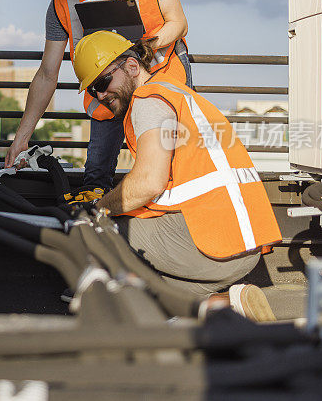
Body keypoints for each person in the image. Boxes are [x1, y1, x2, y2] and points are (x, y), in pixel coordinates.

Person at [71, 30, 282, 320]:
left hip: (210, 242)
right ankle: (228, 305)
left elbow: (148, 182)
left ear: (132, 67)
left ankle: (109, 303)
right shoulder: (176, 92)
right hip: (242, 244)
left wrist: (97, 209)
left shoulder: (147, 100)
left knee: (98, 230)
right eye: (93, 90)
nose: (101, 95)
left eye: (104, 82)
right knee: (151, 290)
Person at [5, 0, 192, 199]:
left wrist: (145, 47)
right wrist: (22, 137)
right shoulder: (61, 4)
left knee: (172, 173)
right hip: (107, 92)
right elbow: (46, 74)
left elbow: (178, 22)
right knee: (94, 181)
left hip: (160, 82)